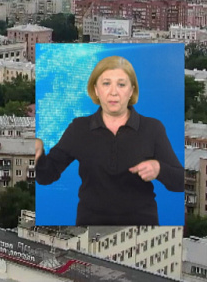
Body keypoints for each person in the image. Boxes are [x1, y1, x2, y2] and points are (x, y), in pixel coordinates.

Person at [34, 55, 183, 225]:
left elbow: (180, 182)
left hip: (141, 231)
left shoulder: (152, 128)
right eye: (106, 84)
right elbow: (46, 176)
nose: (113, 92)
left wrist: (159, 169)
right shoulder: (79, 128)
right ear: (96, 90)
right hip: (89, 230)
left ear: (131, 90)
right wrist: (38, 155)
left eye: (121, 84)